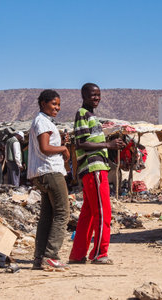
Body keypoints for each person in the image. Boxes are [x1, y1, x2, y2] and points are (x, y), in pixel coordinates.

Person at [69, 83, 125, 265]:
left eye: (98, 95)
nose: (97, 98)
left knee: (88, 214)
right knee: (103, 212)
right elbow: (80, 143)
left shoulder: (92, 116)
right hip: (93, 169)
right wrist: (108, 145)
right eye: (93, 95)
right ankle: (99, 253)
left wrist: (111, 144)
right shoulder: (82, 114)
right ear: (84, 96)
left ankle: (77, 255)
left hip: (93, 169)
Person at [28, 89, 70, 271]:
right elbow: (45, 148)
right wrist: (63, 149)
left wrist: (61, 144)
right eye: (54, 104)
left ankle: (39, 256)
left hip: (41, 172)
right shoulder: (42, 122)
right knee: (62, 213)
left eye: (59, 104)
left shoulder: (42, 122)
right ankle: (51, 255)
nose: (57, 108)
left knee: (47, 216)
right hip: (50, 172)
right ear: (43, 103)